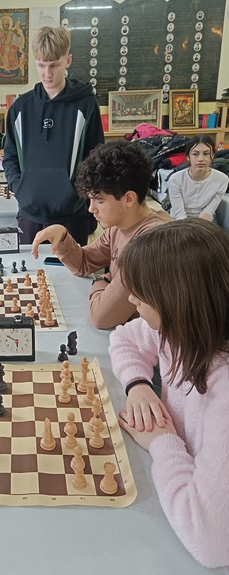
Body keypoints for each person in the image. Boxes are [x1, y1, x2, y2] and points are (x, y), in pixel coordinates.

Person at [109, 219, 229, 568]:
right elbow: (123, 338)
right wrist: (138, 384)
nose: (131, 299)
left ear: (175, 299)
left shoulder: (223, 394)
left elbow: (211, 542)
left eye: (141, 292)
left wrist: (162, 441)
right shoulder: (177, 331)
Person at [31, 140, 171, 329]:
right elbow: (84, 263)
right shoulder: (119, 225)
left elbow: (102, 317)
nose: (91, 209)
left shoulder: (152, 244)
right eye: (90, 200)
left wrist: (102, 279)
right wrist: (62, 236)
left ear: (129, 198)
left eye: (99, 201)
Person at [2, 25, 104, 246]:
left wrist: (77, 193)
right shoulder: (19, 108)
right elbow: (9, 157)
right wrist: (20, 188)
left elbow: (95, 158)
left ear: (68, 60)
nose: (47, 74)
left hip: (72, 216)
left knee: (72, 269)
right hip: (29, 216)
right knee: (29, 269)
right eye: (41, 65)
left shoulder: (86, 105)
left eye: (54, 65)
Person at [168, 134, 228, 221]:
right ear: (188, 157)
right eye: (195, 154)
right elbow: (179, 214)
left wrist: (198, 226)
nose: (201, 159)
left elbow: (208, 212)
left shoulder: (222, 179)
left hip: (204, 220)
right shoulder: (175, 179)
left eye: (206, 154)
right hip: (178, 219)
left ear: (212, 156)